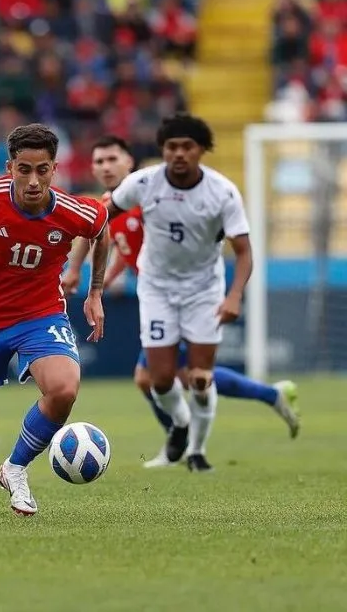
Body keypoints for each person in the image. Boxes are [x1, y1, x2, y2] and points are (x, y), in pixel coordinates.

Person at [63, 135, 300, 469]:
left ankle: (187, 439)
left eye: (112, 159)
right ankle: (240, 411)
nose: (105, 166)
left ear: (130, 163)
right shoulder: (114, 204)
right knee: (178, 376)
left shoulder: (151, 197)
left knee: (173, 376)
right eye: (98, 161)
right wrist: (106, 276)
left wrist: (80, 271)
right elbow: (120, 245)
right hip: (159, 295)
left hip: (187, 296)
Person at [0, 123, 110, 517]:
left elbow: (101, 228)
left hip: (40, 314)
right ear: (10, 167)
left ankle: (14, 468)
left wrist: (95, 291)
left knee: (64, 389)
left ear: (54, 169)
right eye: (23, 169)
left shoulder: (74, 211)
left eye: (41, 170)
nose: (32, 180)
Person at [104, 114, 253, 472]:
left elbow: (245, 251)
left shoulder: (223, 192)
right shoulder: (142, 183)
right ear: (163, 150)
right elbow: (101, 218)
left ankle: (197, 452)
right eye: (172, 147)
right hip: (156, 287)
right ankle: (181, 425)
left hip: (203, 290)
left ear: (202, 150)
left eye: (188, 146)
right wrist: (80, 267)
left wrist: (233, 297)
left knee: (201, 377)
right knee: (160, 381)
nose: (179, 154)